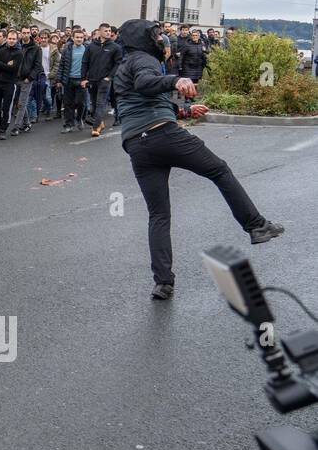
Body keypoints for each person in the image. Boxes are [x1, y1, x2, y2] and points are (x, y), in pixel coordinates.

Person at [111, 19, 284, 301]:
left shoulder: (125, 64)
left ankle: (163, 283)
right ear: (144, 39)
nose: (162, 40)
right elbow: (145, 84)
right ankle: (256, 225)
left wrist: (184, 110)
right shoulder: (144, 60)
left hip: (137, 145)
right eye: (156, 35)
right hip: (163, 135)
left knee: (159, 214)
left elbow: (140, 100)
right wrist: (176, 80)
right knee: (219, 170)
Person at [8, 29, 42, 136]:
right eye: (24, 33)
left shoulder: (36, 48)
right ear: (21, 34)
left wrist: (30, 77)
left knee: (22, 103)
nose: (26, 34)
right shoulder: (18, 47)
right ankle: (27, 123)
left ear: (30, 34)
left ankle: (16, 127)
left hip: (27, 79)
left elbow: (37, 66)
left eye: (28, 33)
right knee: (19, 101)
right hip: (15, 78)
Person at [57, 27, 89, 133]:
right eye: (77, 37)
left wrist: (88, 79)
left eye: (81, 37)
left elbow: (91, 65)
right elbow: (62, 65)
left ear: (84, 38)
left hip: (82, 80)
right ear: (73, 38)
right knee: (68, 103)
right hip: (69, 79)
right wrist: (59, 80)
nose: (79, 39)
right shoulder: (67, 49)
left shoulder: (87, 49)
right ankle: (68, 124)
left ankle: (79, 118)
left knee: (80, 102)